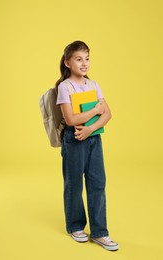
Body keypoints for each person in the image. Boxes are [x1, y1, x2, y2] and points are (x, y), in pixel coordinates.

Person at [56, 40, 119, 251]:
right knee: (74, 185)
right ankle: (75, 226)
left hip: (93, 139)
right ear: (67, 62)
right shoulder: (65, 87)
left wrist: (91, 129)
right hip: (74, 140)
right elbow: (71, 119)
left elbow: (108, 113)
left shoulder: (93, 85)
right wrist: (94, 111)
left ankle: (100, 232)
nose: (84, 63)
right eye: (79, 59)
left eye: (87, 58)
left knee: (98, 183)